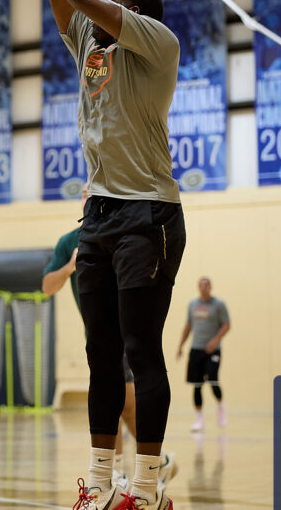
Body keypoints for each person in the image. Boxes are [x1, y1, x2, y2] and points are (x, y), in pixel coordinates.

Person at [0, 0, 186, 510]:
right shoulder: (93, 49)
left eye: (116, 1)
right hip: (100, 215)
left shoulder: (158, 44)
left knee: (142, 351)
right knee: (101, 355)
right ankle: (99, 482)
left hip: (149, 213)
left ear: (134, 14)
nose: (100, 6)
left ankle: (147, 487)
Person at [43, 204, 177, 492]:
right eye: (85, 192)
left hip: (127, 330)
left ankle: (117, 471)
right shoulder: (70, 241)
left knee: (118, 399)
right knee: (124, 405)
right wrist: (70, 266)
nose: (90, 194)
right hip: (99, 333)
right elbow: (47, 286)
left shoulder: (128, 230)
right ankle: (159, 461)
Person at [176, 276, 230, 432]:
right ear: (198, 287)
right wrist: (181, 345)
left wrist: (215, 340)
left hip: (213, 349)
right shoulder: (193, 304)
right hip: (196, 349)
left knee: (213, 379)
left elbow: (226, 325)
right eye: (201, 285)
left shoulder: (218, 305)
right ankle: (199, 419)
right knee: (197, 385)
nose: (204, 287)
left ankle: (220, 406)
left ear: (210, 287)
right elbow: (188, 326)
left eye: (206, 285)